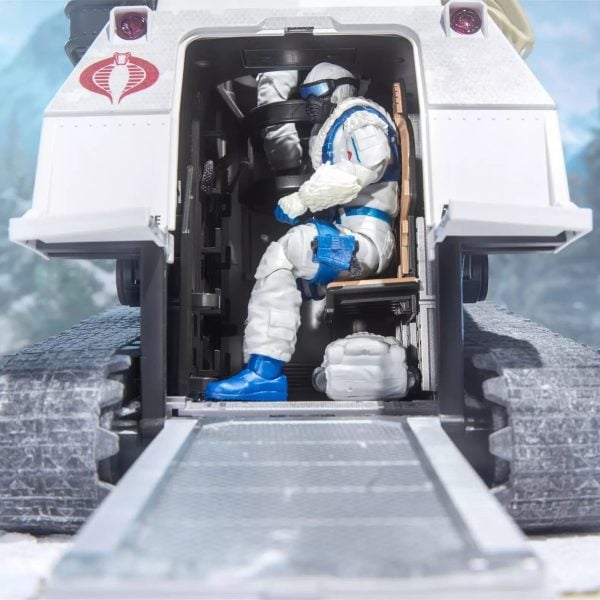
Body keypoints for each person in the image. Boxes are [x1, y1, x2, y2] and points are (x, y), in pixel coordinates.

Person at [205, 62, 400, 401]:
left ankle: (264, 375)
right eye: (306, 94)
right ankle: (263, 373)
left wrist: (302, 199)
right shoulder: (338, 124)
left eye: (318, 92)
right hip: (350, 237)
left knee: (286, 251)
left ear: (341, 88)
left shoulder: (360, 116)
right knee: (284, 258)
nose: (312, 101)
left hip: (365, 244)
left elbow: (370, 163)